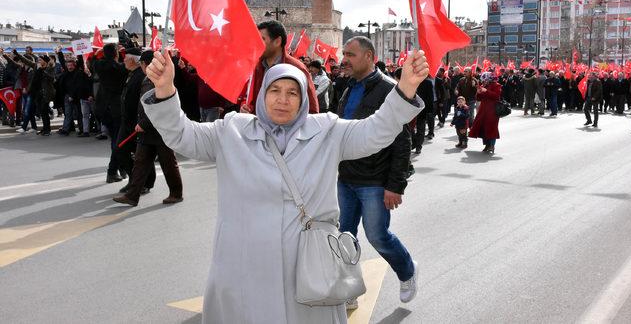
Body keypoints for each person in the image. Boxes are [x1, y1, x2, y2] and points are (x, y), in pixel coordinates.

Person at [142, 46, 428, 324]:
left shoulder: (328, 131)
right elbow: (181, 134)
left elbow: (376, 131)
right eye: (275, 91)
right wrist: (166, 89)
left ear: (303, 98)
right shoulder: (230, 131)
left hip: (307, 271)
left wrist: (404, 90)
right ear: (262, 94)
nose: (283, 100)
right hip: (243, 268)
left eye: (293, 92)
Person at [336, 37, 417, 309]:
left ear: (369, 56)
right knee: (344, 236)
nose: (344, 58)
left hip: (374, 180)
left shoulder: (389, 90)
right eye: (344, 53)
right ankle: (349, 289)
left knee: (378, 236)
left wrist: (395, 185)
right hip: (345, 178)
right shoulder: (347, 87)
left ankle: (407, 271)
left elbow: (402, 142)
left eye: (351, 54)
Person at [113, 50, 183, 206]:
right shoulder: (149, 78)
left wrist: (143, 123)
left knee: (168, 163)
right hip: (149, 131)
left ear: (145, 64)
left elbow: (156, 105)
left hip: (159, 130)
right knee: (140, 163)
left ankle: (176, 193)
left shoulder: (154, 79)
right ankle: (132, 196)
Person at [242, 20, 319, 114]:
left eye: (262, 39)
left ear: (277, 41)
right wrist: (247, 109)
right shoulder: (257, 68)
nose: (256, 44)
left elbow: (312, 108)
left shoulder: (296, 69)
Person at [92, 43, 128, 183]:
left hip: (102, 108)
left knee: (115, 138)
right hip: (115, 108)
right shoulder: (119, 68)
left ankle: (121, 168)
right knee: (117, 141)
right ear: (116, 54)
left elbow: (95, 60)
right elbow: (124, 66)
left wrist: (98, 54)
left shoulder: (99, 65)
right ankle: (113, 170)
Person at [114, 48, 146, 181]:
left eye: (126, 58)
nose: (124, 60)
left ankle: (141, 182)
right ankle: (136, 180)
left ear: (133, 59)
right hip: (127, 121)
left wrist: (141, 122)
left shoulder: (140, 76)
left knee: (140, 155)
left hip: (135, 122)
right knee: (121, 151)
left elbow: (142, 101)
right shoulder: (132, 74)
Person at [468, 72, 502, 153]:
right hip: (483, 110)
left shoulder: (496, 85)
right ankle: (487, 145)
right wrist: (478, 93)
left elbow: (496, 96)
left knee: (492, 128)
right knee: (483, 128)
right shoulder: (484, 86)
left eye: (485, 80)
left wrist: (486, 91)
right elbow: (479, 98)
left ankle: (492, 145)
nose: (484, 82)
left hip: (493, 111)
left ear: (490, 79)